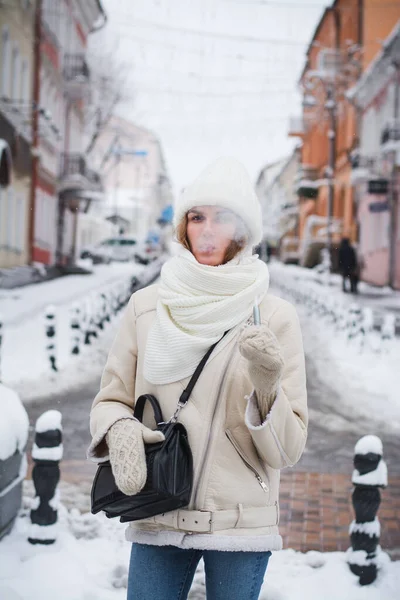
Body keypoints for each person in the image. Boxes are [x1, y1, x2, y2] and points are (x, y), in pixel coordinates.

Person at [88, 157, 308, 600]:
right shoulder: (147, 307)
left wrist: (267, 388)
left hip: (241, 522)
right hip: (157, 509)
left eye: (222, 218)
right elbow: (111, 398)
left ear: (243, 231)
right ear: (183, 227)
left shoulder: (273, 317)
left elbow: (288, 448)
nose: (207, 231)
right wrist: (119, 429)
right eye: (196, 217)